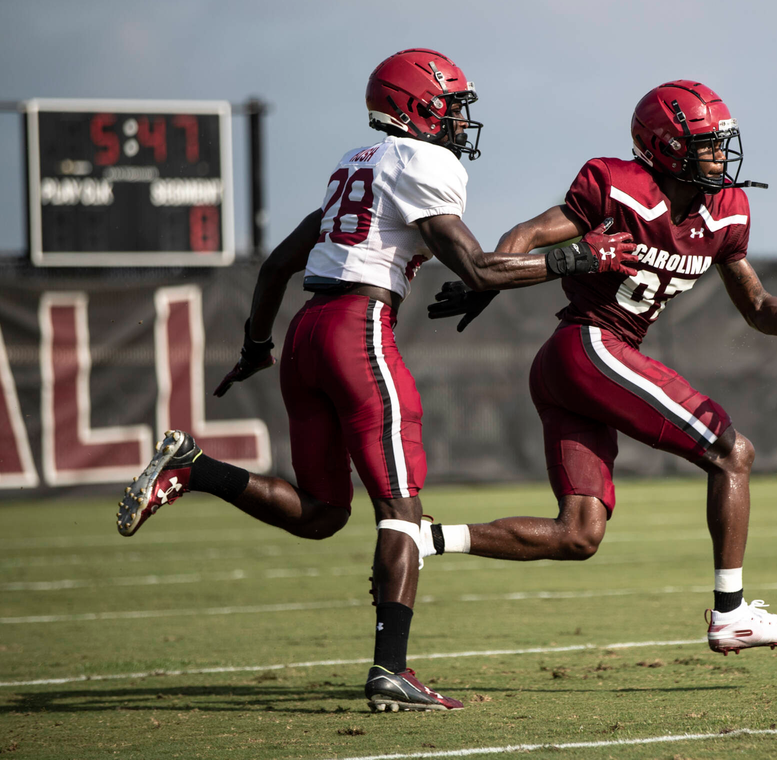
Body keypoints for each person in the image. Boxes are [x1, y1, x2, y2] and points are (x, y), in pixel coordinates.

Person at [114, 48, 637, 712]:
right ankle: (391, 670)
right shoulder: (423, 162)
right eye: (450, 108)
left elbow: (276, 266)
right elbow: (477, 267)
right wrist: (581, 256)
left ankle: (194, 469)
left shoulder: (354, 164)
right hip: (357, 329)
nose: (459, 124)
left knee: (322, 513)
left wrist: (257, 345)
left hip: (306, 332)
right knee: (402, 513)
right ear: (416, 108)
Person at [425, 80, 777, 655]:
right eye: (707, 143)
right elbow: (528, 233)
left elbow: (756, 306)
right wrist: (488, 283)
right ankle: (731, 613)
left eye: (721, 142)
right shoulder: (618, 186)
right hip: (588, 344)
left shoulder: (725, 213)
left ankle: (424, 539)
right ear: (668, 147)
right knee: (733, 452)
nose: (721, 155)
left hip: (578, 363)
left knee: (578, 534)